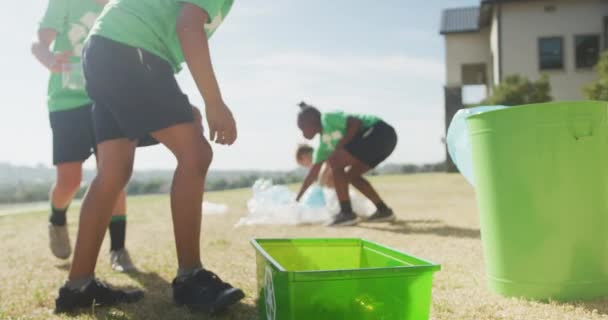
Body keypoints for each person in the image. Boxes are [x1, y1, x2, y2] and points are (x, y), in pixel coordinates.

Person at [52, 0, 245, 315]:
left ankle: (78, 286)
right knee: (195, 154)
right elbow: (188, 26)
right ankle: (190, 278)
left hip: (103, 48)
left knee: (114, 171)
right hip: (128, 47)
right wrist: (214, 102)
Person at [31, 0, 135, 272]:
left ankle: (118, 250)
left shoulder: (121, 6)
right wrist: (49, 58)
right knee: (70, 180)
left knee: (113, 173)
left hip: (108, 98)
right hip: (66, 101)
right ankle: (57, 217)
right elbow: (38, 44)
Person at [295, 102, 398, 227]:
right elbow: (312, 174)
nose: (302, 134)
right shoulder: (324, 146)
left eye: (302, 128)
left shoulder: (327, 118)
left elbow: (355, 123)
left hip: (379, 132)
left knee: (335, 161)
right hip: (381, 144)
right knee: (351, 176)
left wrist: (340, 147)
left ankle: (346, 213)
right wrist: (297, 199)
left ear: (311, 121)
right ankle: (383, 210)